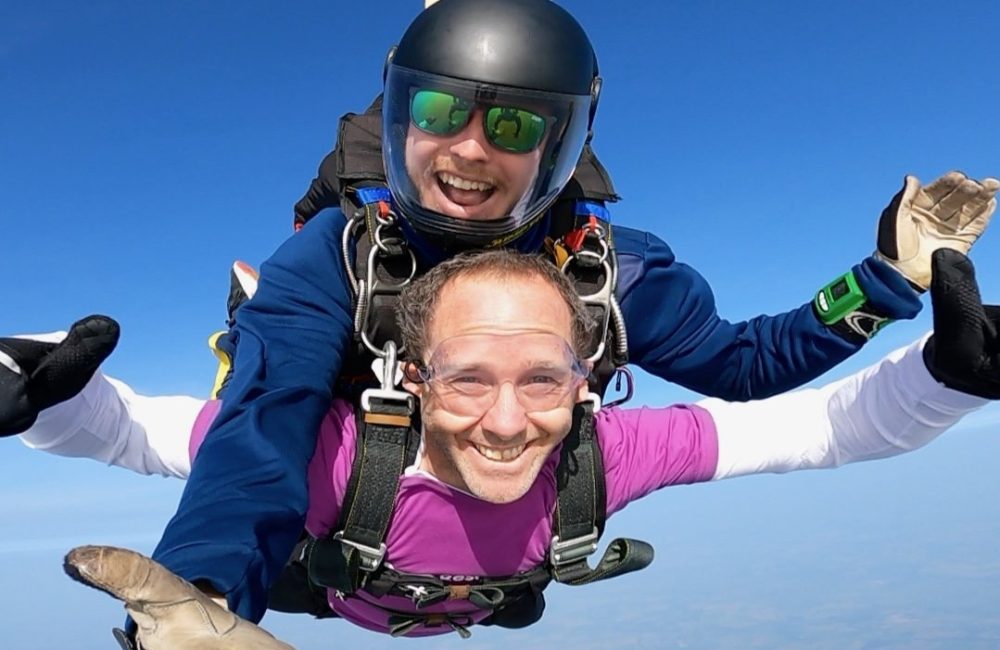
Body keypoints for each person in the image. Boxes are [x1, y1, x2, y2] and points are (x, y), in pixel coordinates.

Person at [2, 0, 997, 627]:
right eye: (439, 112)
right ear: (397, 119)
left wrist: (881, 282)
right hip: (342, 532)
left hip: (501, 562)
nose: (469, 150)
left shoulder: (619, 277)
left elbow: (749, 372)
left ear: (560, 143)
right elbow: (255, 428)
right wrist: (206, 593)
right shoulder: (334, 265)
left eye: (512, 122)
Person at [65, 245, 1000, 647]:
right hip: (344, 591)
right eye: (468, 378)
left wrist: (942, 377)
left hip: (475, 604)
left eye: (543, 380)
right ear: (412, 382)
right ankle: (255, 321)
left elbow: (819, 430)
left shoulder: (606, 453)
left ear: (586, 384)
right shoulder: (336, 452)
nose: (509, 423)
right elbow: (137, 427)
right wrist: (38, 401)